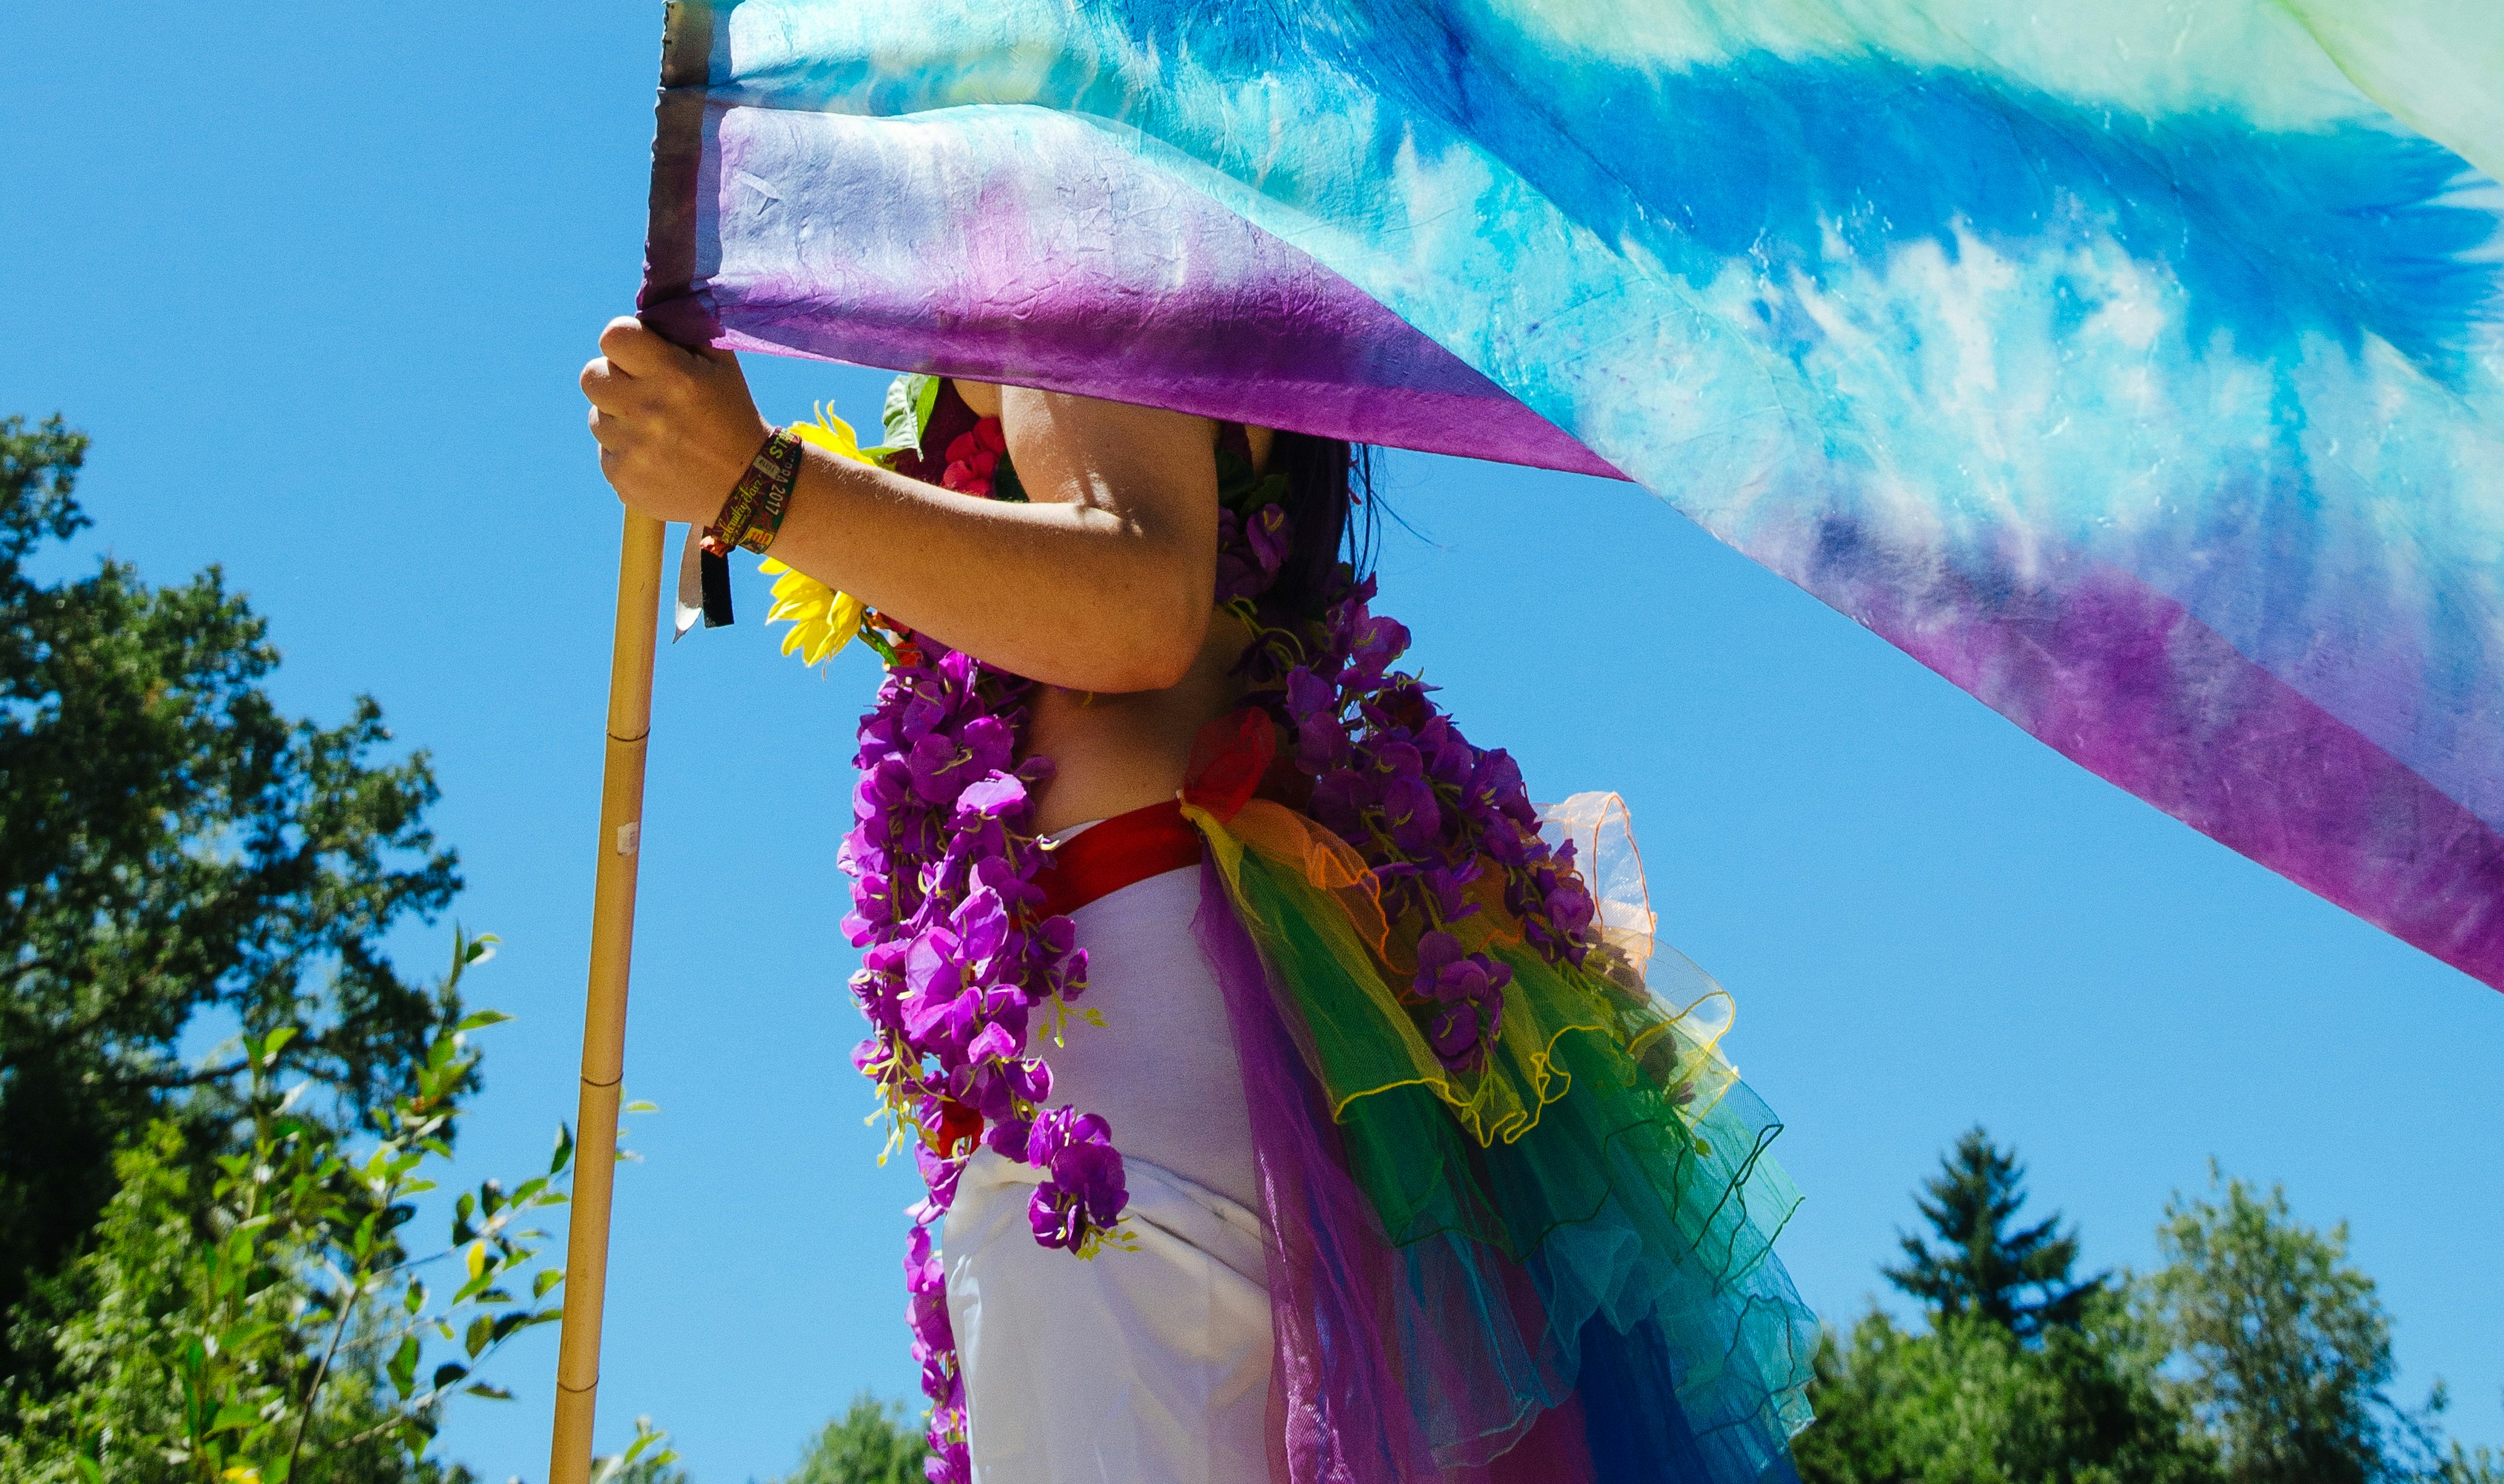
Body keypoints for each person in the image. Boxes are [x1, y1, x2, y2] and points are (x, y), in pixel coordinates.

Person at [581, 324, 1816, 1484]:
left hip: (1134, 991)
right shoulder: (1170, 220)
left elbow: (1140, 597)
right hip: (1221, 987)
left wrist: (755, 483)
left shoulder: (1066, 200)